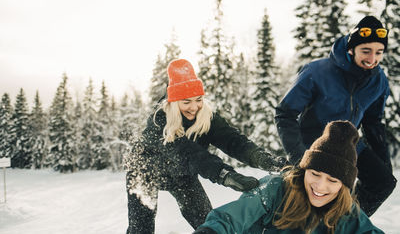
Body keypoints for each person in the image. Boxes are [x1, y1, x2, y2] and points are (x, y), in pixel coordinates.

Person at [125, 58, 286, 234]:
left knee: (209, 222)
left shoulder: (205, 116)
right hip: (146, 172)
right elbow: (189, 154)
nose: (194, 107)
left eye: (198, 99)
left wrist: (263, 159)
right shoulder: (159, 121)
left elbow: (233, 140)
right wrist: (225, 175)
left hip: (182, 175)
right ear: (173, 102)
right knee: (141, 228)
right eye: (186, 102)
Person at [274, 15, 397, 216]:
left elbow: (373, 121)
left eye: (379, 52)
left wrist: (383, 162)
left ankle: (345, 223)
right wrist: (298, 156)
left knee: (383, 182)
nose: (372, 59)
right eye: (366, 51)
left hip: (348, 144)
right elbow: (285, 113)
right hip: (314, 144)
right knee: (315, 202)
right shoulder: (318, 71)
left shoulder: (378, 80)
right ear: (351, 48)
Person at [194, 120, 384, 234]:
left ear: (344, 186)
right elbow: (232, 216)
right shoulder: (276, 188)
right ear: (304, 170)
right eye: (315, 174)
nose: (320, 186)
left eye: (332, 180)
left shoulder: (345, 210)